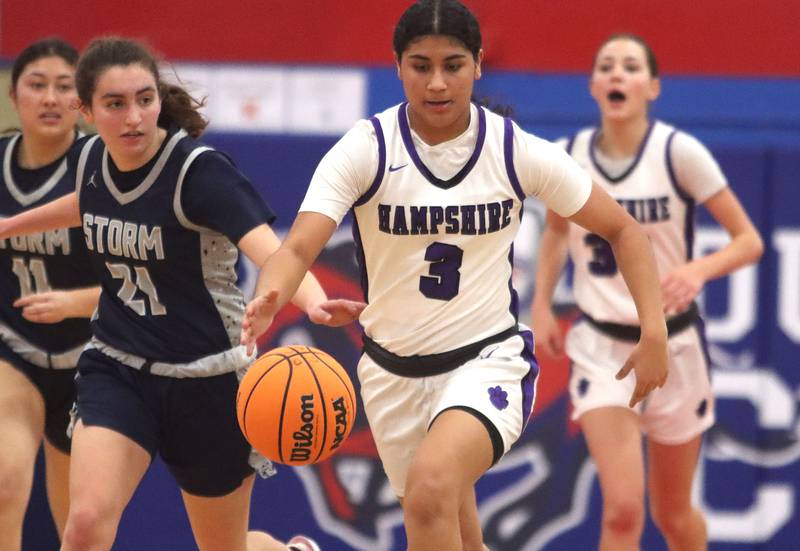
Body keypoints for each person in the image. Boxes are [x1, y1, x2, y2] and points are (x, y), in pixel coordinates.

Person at [240, 3, 670, 550]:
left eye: (453, 64)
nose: (437, 82)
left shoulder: (513, 150)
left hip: (484, 363)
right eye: (420, 65)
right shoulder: (366, 148)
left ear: (478, 64)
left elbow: (625, 231)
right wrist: (271, 294)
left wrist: (653, 331)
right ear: (397, 67)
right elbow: (299, 244)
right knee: (454, 532)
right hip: (391, 375)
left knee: (429, 492)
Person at [0, 37, 364, 551]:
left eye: (144, 100)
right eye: (115, 104)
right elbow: (89, 201)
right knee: (83, 524)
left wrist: (312, 300)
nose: (134, 117)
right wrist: (12, 225)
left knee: (224, 546)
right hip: (118, 368)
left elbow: (273, 251)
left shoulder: (198, 173)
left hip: (207, 381)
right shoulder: (89, 160)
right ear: (87, 110)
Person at [531, 34, 764, 551]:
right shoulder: (566, 156)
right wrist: (541, 303)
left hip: (674, 346)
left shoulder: (679, 152)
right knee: (622, 511)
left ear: (652, 87)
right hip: (601, 347)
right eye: (607, 67)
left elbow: (748, 241)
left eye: (631, 67)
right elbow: (552, 231)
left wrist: (700, 270)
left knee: (675, 516)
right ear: (593, 85)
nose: (618, 75)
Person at [0, 37, 102, 549]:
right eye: (36, 86)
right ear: (14, 95)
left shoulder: (106, 168)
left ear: (82, 102)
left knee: (79, 524)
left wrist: (76, 302)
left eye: (65, 87)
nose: (50, 99)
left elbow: (155, 275)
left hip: (94, 359)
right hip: (11, 350)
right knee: (2, 482)